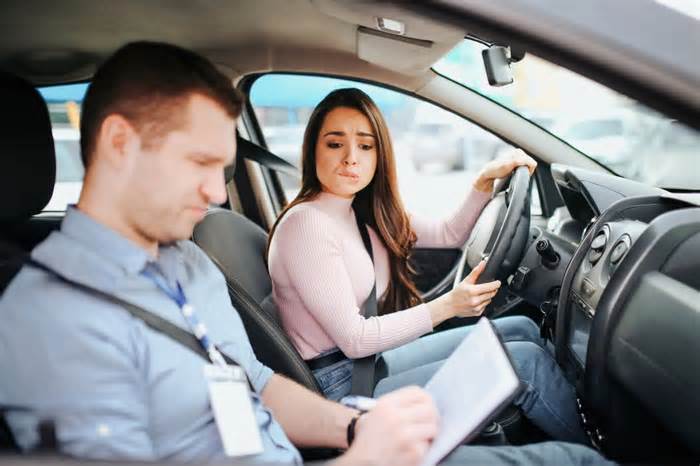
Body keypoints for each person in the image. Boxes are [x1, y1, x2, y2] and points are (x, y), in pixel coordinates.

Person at [0, 41, 613, 466]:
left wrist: (354, 426)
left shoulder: (184, 263)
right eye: (201, 165)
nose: (218, 194)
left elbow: (258, 384)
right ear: (119, 143)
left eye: (225, 168)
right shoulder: (50, 325)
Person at [267, 88, 586, 443]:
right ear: (312, 150)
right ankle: (598, 454)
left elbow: (449, 233)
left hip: (366, 363)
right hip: (342, 389)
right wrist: (449, 305)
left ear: (379, 155)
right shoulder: (307, 224)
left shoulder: (361, 212)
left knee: (522, 328)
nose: (351, 158)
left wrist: (483, 183)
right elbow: (356, 340)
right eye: (334, 143)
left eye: (366, 146)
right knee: (526, 363)